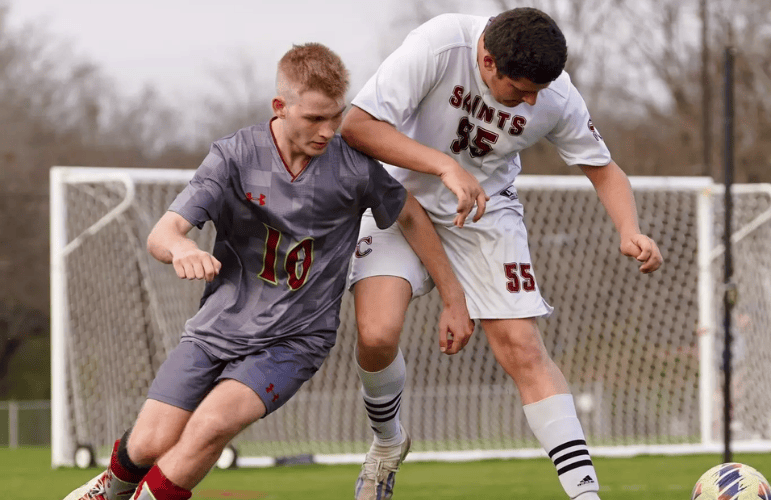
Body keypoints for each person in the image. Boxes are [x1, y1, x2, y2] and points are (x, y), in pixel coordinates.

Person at [62, 42, 472, 500]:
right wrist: (181, 248)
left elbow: (410, 214)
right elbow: (163, 233)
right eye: (314, 118)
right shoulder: (235, 156)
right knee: (149, 443)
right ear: (280, 106)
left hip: (294, 339)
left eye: (335, 116)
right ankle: (111, 487)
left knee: (211, 425)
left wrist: (453, 298)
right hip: (217, 328)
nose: (328, 130)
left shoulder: (353, 168)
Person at [341, 7, 664, 500]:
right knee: (377, 333)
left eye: (539, 90)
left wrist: (629, 230)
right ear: (488, 61)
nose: (532, 101)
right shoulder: (440, 45)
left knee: (523, 347)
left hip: (486, 214)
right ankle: (387, 443)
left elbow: (605, 170)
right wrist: (444, 166)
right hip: (398, 200)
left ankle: (586, 494)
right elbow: (357, 126)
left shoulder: (555, 94)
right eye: (521, 90)